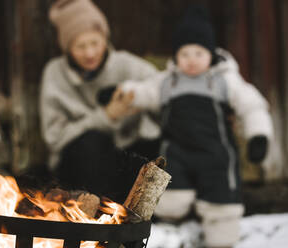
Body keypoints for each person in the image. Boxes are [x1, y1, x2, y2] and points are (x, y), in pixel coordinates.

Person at [120, 5, 274, 248]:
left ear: (211, 54)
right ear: (176, 56)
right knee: (171, 195)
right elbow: (143, 91)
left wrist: (259, 136)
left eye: (198, 54)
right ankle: (170, 232)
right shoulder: (167, 82)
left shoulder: (224, 79)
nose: (191, 61)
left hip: (216, 154)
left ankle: (221, 237)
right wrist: (122, 94)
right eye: (185, 54)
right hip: (178, 152)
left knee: (221, 199)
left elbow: (252, 105)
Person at [40, 0, 160, 203]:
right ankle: (96, 212)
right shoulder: (54, 73)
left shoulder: (124, 64)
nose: (89, 53)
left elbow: (162, 87)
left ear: (105, 39)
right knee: (92, 142)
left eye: (95, 43)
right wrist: (106, 116)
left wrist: (138, 97)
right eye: (80, 46)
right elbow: (55, 138)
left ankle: (149, 210)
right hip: (81, 167)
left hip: (124, 157)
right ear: (67, 47)